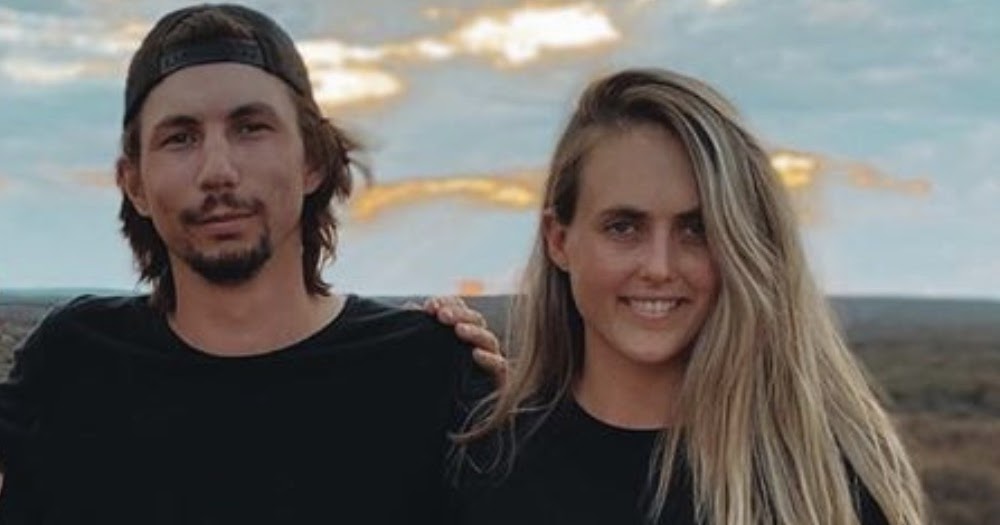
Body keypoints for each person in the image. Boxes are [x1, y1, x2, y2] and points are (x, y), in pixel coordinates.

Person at [0, 4, 500, 523]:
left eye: (250, 128)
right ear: (135, 184)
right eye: (180, 138)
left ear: (313, 161)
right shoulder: (70, 366)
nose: (218, 171)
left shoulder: (427, 375)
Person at [453, 68, 926, 525]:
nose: (659, 267)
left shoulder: (828, 487)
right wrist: (423, 356)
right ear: (559, 241)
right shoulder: (477, 468)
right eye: (623, 227)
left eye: (697, 229)